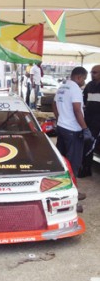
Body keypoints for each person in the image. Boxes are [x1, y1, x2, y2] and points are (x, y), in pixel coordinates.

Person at [52, 67, 93, 201]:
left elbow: (53, 104)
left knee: (62, 161)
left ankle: (59, 190)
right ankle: (72, 193)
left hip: (62, 128)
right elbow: (77, 110)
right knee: (73, 163)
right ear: (79, 77)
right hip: (73, 131)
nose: (84, 82)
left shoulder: (62, 86)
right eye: (84, 79)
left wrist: (59, 119)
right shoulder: (75, 88)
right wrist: (85, 128)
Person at [78, 65, 100, 178]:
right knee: (86, 143)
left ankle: (86, 169)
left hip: (98, 121)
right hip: (88, 119)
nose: (92, 74)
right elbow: (84, 99)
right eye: (92, 72)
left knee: (90, 144)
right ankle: (85, 167)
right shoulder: (90, 85)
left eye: (95, 72)